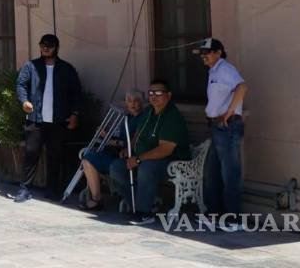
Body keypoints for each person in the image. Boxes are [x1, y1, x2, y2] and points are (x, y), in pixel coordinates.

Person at [109, 78, 190, 225]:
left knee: (147, 168)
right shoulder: (148, 111)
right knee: (117, 167)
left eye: (158, 93)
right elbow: (138, 134)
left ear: (168, 95)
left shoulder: (172, 116)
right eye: (151, 93)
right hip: (145, 158)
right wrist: (129, 149)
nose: (154, 96)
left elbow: (165, 149)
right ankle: (140, 206)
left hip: (172, 162)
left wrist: (138, 159)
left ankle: (145, 213)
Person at [12, 33, 83, 202]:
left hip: (58, 121)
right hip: (35, 119)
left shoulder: (67, 69)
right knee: (31, 154)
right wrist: (24, 101)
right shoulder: (31, 66)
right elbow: (20, 84)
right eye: (42, 45)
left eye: (49, 45)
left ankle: (51, 189)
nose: (45, 48)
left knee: (55, 156)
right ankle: (24, 189)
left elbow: (76, 93)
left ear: (56, 48)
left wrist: (75, 114)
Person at [194, 37, 247, 216]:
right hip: (216, 127)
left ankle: (233, 218)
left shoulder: (225, 69)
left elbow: (242, 87)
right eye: (202, 53)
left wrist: (230, 111)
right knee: (212, 173)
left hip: (227, 127)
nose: (204, 56)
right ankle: (215, 214)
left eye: (207, 52)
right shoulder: (213, 71)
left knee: (229, 174)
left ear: (218, 53)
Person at [79, 89, 145, 210]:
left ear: (141, 102)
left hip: (130, 157)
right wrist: (106, 135)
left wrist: (110, 140)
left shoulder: (143, 119)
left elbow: (134, 142)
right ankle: (97, 198)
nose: (132, 104)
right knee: (88, 158)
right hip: (116, 153)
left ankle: (128, 197)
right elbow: (118, 138)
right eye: (129, 101)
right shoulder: (127, 117)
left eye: (136, 101)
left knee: (112, 164)